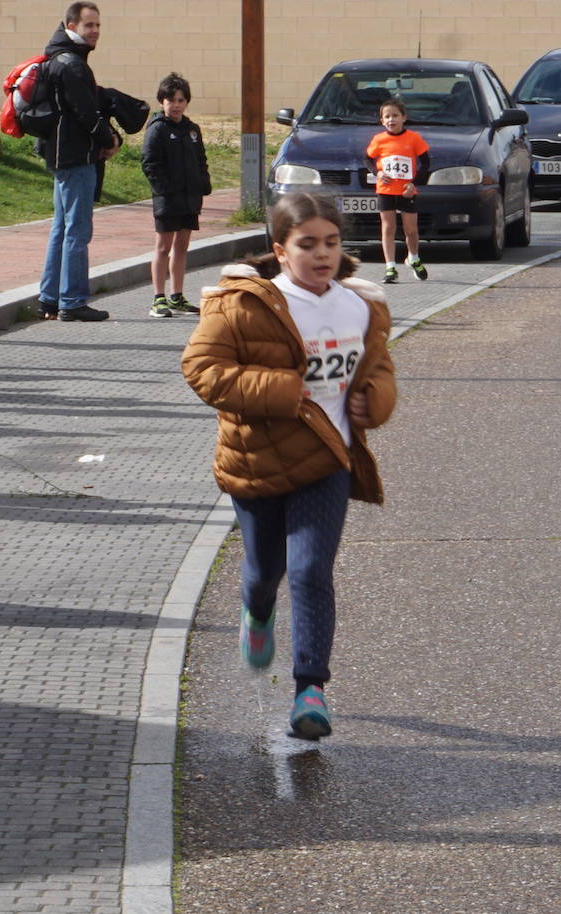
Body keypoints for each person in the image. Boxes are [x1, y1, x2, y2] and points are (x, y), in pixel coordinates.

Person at [181, 192, 396, 740]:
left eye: (331, 243)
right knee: (263, 573)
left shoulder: (361, 306)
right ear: (280, 251)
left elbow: (378, 370)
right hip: (257, 459)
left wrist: (374, 401)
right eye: (307, 245)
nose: (322, 255)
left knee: (309, 572)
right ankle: (256, 613)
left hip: (328, 457)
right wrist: (282, 389)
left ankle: (311, 691)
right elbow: (202, 368)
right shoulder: (242, 305)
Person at [36, 1, 120, 322]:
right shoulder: (71, 64)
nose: (95, 31)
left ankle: (50, 298)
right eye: (89, 25)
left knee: (61, 228)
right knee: (77, 230)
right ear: (71, 26)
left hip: (63, 155)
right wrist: (109, 140)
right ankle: (71, 301)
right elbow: (86, 114)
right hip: (74, 157)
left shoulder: (60, 57)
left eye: (97, 25)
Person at [140, 72, 211, 318]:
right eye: (171, 100)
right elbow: (150, 163)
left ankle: (177, 296)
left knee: (182, 246)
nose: (176, 105)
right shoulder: (157, 129)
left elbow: (201, 160)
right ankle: (157, 299)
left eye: (181, 100)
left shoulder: (192, 130)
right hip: (167, 198)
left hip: (190, 198)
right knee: (163, 246)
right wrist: (164, 189)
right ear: (162, 102)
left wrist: (203, 183)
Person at [365, 98, 430, 284]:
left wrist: (414, 183)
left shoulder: (413, 138)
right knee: (388, 228)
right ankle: (390, 267)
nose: (391, 120)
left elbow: (426, 163)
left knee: (411, 230)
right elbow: (367, 159)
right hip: (385, 189)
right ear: (382, 120)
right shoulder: (379, 140)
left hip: (406, 191)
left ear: (404, 118)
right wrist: (377, 172)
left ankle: (414, 258)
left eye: (395, 116)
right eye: (387, 117)